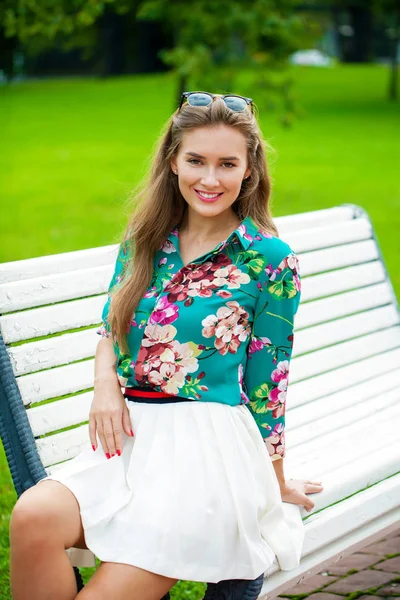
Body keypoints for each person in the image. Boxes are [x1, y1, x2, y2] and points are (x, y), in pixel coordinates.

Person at [9, 91, 323, 600]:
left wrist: (274, 481)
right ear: (173, 161)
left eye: (227, 164)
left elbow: (270, 383)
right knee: (34, 516)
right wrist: (105, 386)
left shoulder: (269, 259)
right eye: (196, 160)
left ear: (249, 171)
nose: (209, 178)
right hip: (130, 442)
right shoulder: (146, 239)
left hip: (206, 455)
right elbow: (112, 323)